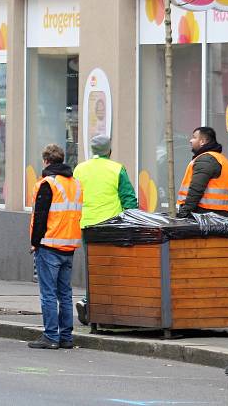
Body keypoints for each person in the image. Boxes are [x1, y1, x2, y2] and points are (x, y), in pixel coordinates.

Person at [72, 134, 138, 324]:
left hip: (87, 225)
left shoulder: (80, 169)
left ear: (92, 150)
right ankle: (107, 305)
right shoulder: (117, 169)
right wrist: (133, 220)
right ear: (109, 150)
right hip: (112, 226)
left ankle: (89, 301)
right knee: (112, 266)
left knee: (92, 267)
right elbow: (128, 198)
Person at [28, 144, 82, 350]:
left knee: (48, 294)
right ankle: (66, 337)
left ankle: (51, 336)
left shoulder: (47, 184)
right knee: (65, 294)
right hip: (69, 245)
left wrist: (34, 243)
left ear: (46, 161)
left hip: (49, 245)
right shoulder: (76, 184)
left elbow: (40, 217)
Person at [176, 126, 228, 218]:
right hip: (217, 216)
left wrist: (183, 213)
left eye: (194, 137)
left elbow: (196, 189)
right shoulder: (220, 159)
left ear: (202, 141)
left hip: (203, 215)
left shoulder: (206, 159)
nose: (191, 140)